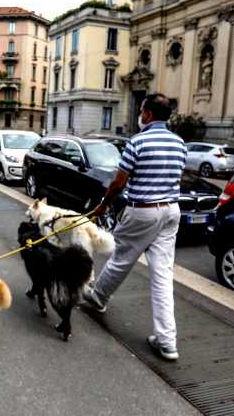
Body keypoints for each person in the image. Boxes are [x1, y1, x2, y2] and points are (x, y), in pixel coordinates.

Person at [84, 93, 186, 361]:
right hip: (171, 211)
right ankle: (167, 342)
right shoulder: (179, 143)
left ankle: (98, 298)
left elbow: (118, 182)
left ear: (148, 114)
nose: (140, 115)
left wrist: (103, 206)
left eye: (141, 110)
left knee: (121, 259)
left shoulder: (137, 142)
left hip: (143, 211)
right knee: (163, 276)